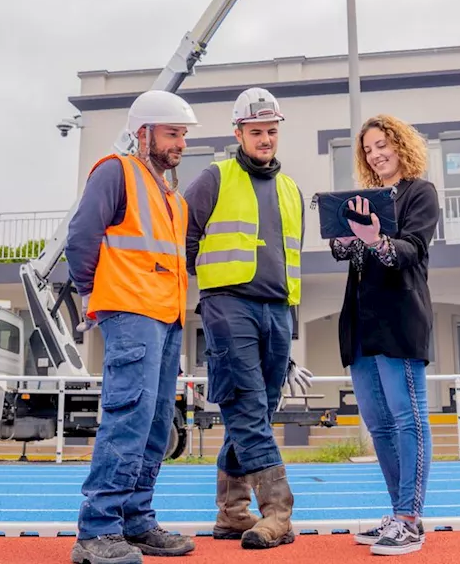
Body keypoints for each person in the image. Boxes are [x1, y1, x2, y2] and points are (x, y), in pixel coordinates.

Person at [67, 89, 200, 564]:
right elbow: (81, 237)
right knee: (129, 417)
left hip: (167, 320)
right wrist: (90, 293)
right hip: (129, 312)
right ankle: (97, 530)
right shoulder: (115, 171)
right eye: (172, 133)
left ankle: (136, 520)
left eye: (183, 135)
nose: (180, 143)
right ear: (142, 133)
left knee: (156, 423)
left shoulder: (172, 197)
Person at [184, 87, 311, 550]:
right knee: (246, 405)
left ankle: (231, 514)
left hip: (278, 312)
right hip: (229, 306)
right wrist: (210, 289)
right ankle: (277, 513)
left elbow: (291, 258)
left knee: (257, 408)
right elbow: (186, 239)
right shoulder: (212, 179)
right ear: (238, 132)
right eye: (256, 131)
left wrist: (291, 321)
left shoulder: (291, 189)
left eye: (271, 131)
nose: (265, 139)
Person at [329, 115, 440, 556]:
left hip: (399, 321)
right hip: (360, 324)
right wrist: (346, 238)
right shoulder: (365, 199)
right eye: (369, 149)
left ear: (401, 146)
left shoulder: (420, 193)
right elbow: (350, 250)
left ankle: (411, 520)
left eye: (383, 145)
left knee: (408, 419)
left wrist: (376, 240)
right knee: (378, 426)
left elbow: (411, 249)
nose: (376, 154)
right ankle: (398, 513)